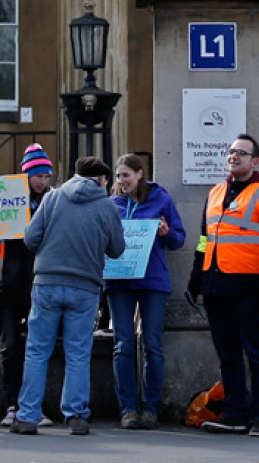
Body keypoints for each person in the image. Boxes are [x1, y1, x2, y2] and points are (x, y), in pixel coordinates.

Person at [11, 156, 125, 437]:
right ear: (100, 180)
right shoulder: (107, 207)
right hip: (85, 288)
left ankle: (27, 416)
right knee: (77, 353)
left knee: (37, 350)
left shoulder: (52, 199)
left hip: (47, 283)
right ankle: (75, 415)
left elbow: (30, 238)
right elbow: (117, 250)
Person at [188, 134, 259, 438]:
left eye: (241, 153)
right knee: (228, 356)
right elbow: (204, 240)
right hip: (216, 288)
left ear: (255, 160)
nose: (234, 157)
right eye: (230, 152)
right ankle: (234, 414)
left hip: (248, 289)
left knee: (257, 355)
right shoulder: (215, 192)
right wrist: (195, 279)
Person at [106, 153, 185, 430]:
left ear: (140, 174)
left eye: (126, 175)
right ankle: (127, 408)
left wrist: (166, 234)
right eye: (118, 176)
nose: (121, 181)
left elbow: (179, 239)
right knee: (123, 344)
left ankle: (150, 408)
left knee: (152, 344)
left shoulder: (161, 199)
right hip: (119, 282)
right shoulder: (111, 204)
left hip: (152, 280)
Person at [0, 143, 55, 428]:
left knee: (38, 348)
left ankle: (33, 405)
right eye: (38, 176)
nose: (43, 181)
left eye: (47, 176)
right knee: (10, 347)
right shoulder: (7, 198)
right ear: (26, 175)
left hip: (39, 284)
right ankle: (12, 404)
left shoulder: (51, 200)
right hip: (7, 287)